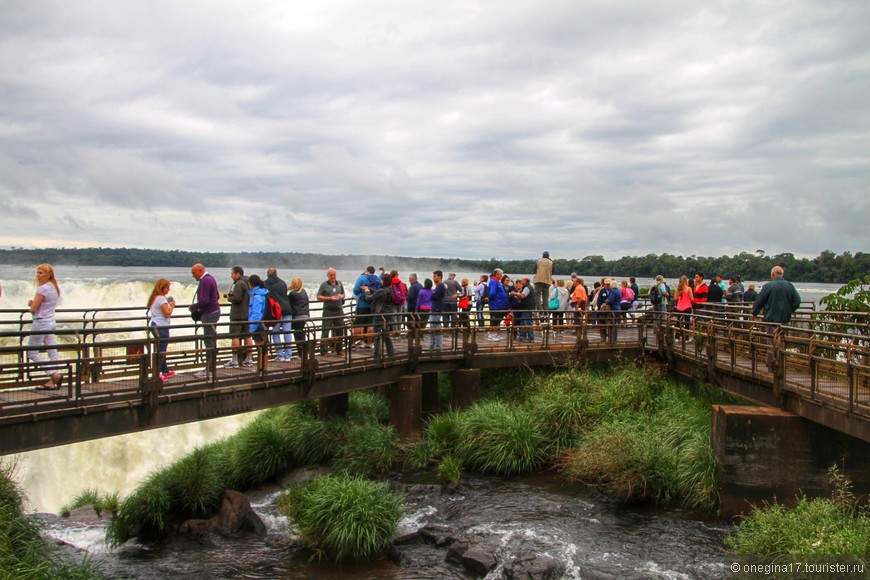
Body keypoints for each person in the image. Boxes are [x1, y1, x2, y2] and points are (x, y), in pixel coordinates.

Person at [752, 266, 802, 374]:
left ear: (773, 274)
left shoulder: (769, 286)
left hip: (771, 319)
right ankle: (781, 363)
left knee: (771, 341)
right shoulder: (789, 286)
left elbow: (760, 300)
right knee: (782, 340)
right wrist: (789, 310)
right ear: (782, 274)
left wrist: (754, 312)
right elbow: (797, 301)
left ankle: (772, 365)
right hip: (784, 320)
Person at [28, 264, 63, 390]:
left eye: (40, 273)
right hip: (51, 322)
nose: (38, 275)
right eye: (37, 272)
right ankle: (53, 382)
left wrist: (31, 304)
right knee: (52, 351)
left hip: (41, 323)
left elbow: (33, 310)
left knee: (31, 353)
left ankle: (53, 375)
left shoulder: (42, 289)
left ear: (48, 274)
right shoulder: (54, 287)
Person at [189, 263, 221, 379]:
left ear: (201, 270)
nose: (193, 275)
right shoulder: (211, 278)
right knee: (211, 340)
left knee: (209, 341)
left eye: (194, 273)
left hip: (209, 314)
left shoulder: (205, 281)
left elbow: (204, 301)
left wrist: (193, 307)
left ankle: (209, 370)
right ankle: (210, 368)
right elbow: (217, 296)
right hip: (214, 312)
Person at [360, 272, 395, 359]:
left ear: (384, 281)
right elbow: (379, 293)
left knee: (377, 336)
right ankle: (391, 354)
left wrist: (367, 292)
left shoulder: (382, 291)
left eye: (382, 280)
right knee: (386, 336)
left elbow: (368, 298)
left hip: (379, 315)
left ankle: (377, 355)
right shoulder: (390, 290)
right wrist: (370, 289)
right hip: (387, 315)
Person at [147, 278, 176, 381]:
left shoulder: (154, 297)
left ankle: (165, 371)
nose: (168, 290)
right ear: (162, 288)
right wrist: (172, 306)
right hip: (161, 327)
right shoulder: (162, 299)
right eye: (167, 288)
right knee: (162, 351)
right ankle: (157, 374)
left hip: (154, 324)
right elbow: (167, 314)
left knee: (161, 349)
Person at [224, 266, 252, 368]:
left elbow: (237, 298)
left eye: (232, 274)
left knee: (235, 336)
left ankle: (234, 360)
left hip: (237, 315)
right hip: (245, 313)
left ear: (237, 274)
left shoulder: (239, 284)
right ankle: (249, 359)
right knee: (247, 336)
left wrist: (229, 297)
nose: (231, 276)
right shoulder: (247, 283)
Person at [264, 268, 294, 362]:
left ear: (267, 274)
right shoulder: (282, 283)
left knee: (275, 332)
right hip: (287, 309)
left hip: (276, 311)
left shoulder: (265, 284)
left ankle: (280, 355)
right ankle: (288, 355)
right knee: (287, 332)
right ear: (276, 273)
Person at [316, 268, 346, 355]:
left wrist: (341, 296)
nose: (333, 277)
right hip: (328, 310)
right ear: (328, 276)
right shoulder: (324, 285)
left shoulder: (339, 283)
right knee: (325, 331)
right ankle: (324, 351)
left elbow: (344, 294)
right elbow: (318, 297)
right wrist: (329, 298)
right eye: (331, 275)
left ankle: (339, 349)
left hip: (339, 310)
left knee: (340, 330)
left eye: (334, 275)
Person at [352, 266, 380, 349]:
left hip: (362, 304)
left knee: (358, 323)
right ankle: (370, 343)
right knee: (370, 324)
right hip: (372, 304)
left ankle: (359, 342)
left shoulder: (362, 278)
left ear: (367, 271)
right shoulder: (377, 279)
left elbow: (355, 290)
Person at [288, 277, 311, 360]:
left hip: (297, 316)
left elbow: (288, 303)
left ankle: (302, 354)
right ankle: (304, 353)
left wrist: (287, 289)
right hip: (305, 315)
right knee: (301, 334)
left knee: (298, 335)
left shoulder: (293, 293)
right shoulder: (304, 292)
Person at [485, 269, 509, 340]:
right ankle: (491, 334)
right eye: (501, 274)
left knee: (498, 320)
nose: (502, 276)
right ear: (497, 274)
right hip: (496, 305)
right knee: (495, 320)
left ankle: (495, 334)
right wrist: (489, 297)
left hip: (500, 304)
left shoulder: (497, 282)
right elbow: (492, 292)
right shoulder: (493, 282)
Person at [511, 277, 535, 342]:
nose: (521, 281)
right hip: (526, 307)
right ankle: (523, 336)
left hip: (527, 307)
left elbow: (522, 296)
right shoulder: (528, 287)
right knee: (523, 322)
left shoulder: (527, 287)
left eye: (522, 280)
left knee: (527, 322)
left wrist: (515, 294)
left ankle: (531, 337)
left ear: (525, 281)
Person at [428, 270, 447, 349]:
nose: (433, 278)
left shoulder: (440, 286)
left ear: (440, 277)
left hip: (437, 309)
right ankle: (432, 345)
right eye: (433, 276)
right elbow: (433, 296)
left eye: (435, 276)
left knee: (436, 327)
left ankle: (437, 346)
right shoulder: (438, 287)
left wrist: (433, 294)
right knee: (432, 328)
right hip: (434, 309)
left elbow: (433, 297)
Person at [674, 275, 694, 340]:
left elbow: (675, 298)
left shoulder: (678, 289)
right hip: (687, 307)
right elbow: (692, 298)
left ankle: (677, 337)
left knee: (679, 322)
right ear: (686, 281)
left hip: (679, 307)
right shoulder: (688, 289)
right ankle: (686, 338)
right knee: (687, 322)